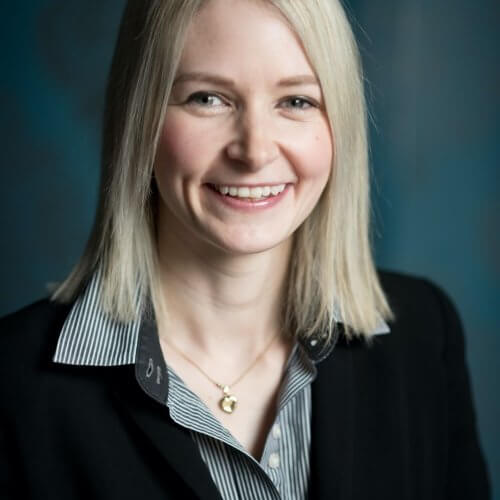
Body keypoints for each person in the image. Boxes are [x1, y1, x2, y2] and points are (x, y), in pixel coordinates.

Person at [0, 0, 491, 498]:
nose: (254, 151)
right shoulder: (11, 384)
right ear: (140, 116)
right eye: (208, 98)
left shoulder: (425, 337)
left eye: (296, 101)